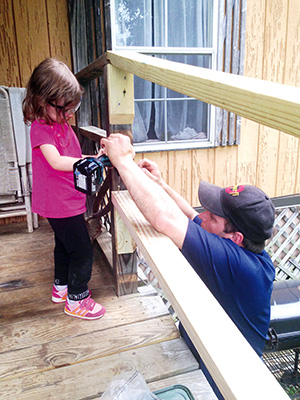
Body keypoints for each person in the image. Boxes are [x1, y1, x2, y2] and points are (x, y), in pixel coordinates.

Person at [100, 133, 275, 399]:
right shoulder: (238, 248)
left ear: (235, 238)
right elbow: (189, 215)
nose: (202, 215)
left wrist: (122, 160)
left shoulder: (239, 266)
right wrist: (160, 184)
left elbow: (165, 217)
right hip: (201, 344)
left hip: (223, 376)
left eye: (213, 215)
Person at [23, 58, 105, 320]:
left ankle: (61, 287)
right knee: (82, 250)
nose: (70, 114)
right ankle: (77, 298)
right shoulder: (40, 129)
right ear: (41, 100)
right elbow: (57, 161)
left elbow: (73, 156)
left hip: (68, 199)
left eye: (73, 108)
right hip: (59, 203)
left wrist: (93, 158)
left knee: (63, 245)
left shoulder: (60, 124)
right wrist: (85, 162)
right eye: (64, 108)